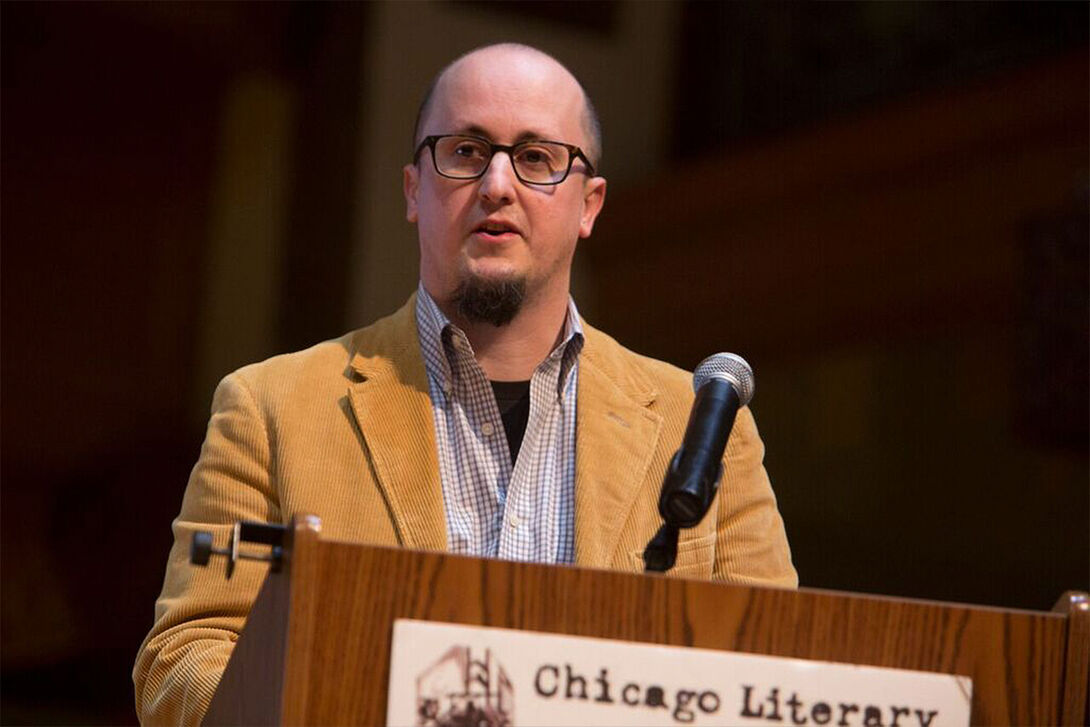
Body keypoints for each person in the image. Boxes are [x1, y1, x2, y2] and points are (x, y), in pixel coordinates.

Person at [133, 43, 797, 725]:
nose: (497, 185)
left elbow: (780, 672)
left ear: (589, 203)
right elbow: (183, 661)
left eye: (538, 158)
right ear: (414, 189)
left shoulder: (704, 428)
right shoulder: (270, 407)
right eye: (466, 152)